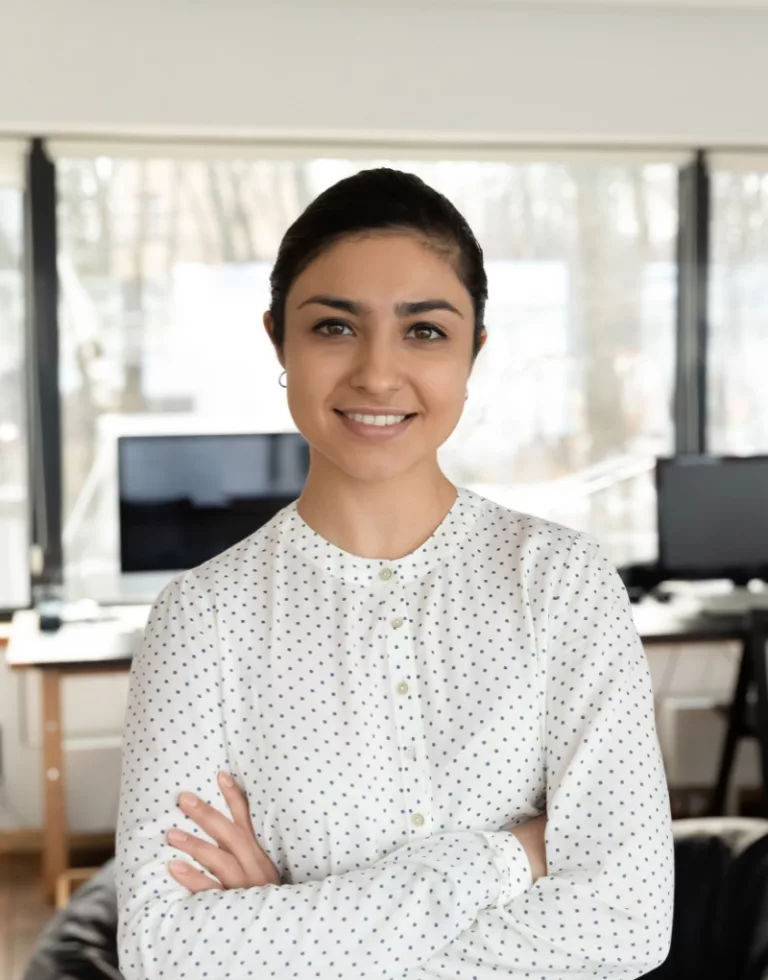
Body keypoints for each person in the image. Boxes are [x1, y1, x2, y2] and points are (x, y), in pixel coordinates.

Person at [115, 168, 674, 979]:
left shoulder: (562, 582)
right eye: (335, 327)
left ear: (475, 349)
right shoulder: (201, 619)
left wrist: (286, 932)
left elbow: (627, 922)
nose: (378, 374)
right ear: (279, 340)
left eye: (424, 331)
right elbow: (164, 953)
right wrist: (513, 858)